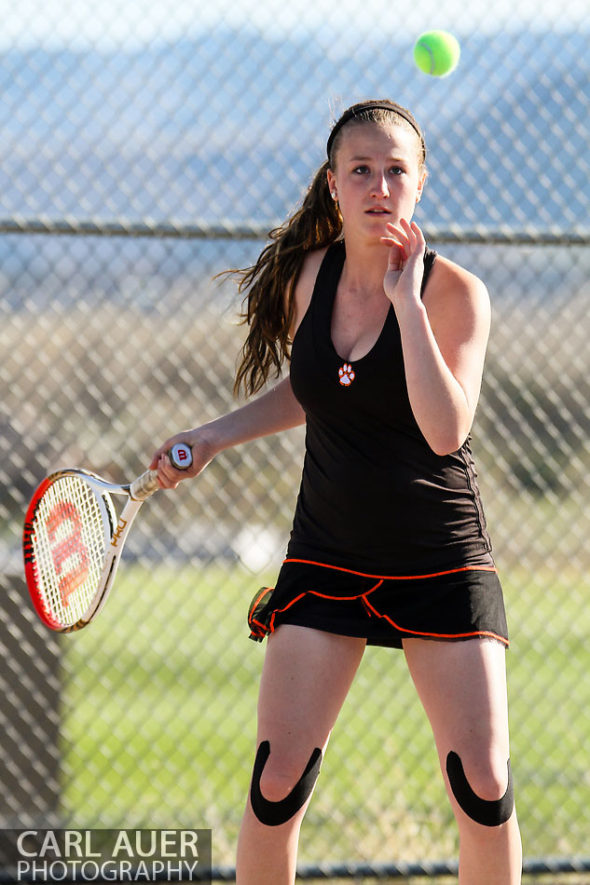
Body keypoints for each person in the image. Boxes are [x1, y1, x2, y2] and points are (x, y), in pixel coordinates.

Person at [150, 99, 522, 884]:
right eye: (361, 170)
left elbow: (445, 428)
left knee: (483, 789)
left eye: (396, 170)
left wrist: (407, 307)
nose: (379, 186)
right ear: (332, 185)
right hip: (329, 553)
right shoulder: (306, 281)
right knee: (276, 782)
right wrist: (213, 436)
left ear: (421, 183)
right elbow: (321, 388)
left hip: (439, 557)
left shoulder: (457, 294)